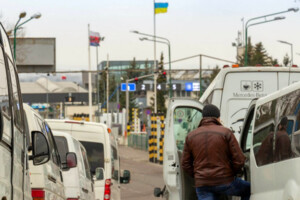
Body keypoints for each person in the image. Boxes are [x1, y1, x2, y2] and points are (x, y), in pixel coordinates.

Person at [181, 104, 250, 200]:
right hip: (225, 181)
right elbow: (239, 160)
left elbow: (185, 164)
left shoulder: (190, 136)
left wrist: (198, 175)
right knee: (248, 189)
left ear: (203, 118)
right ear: (217, 118)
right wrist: (231, 174)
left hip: (202, 184)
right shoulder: (226, 132)